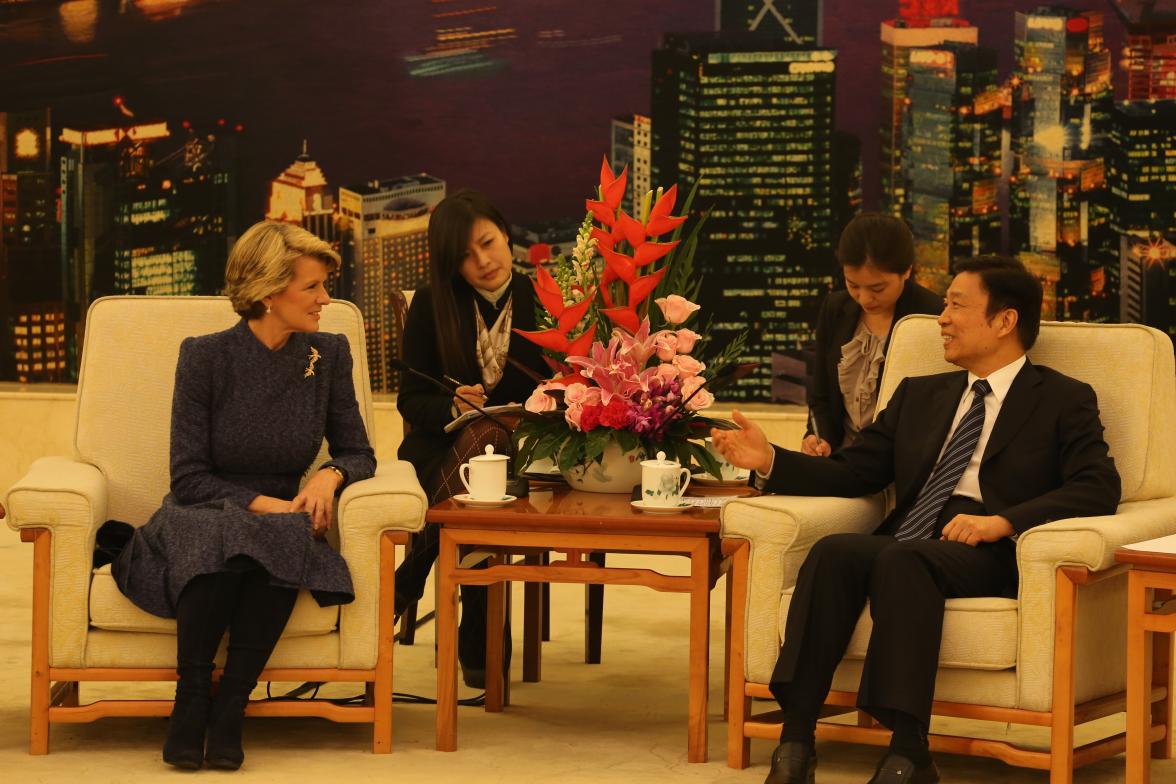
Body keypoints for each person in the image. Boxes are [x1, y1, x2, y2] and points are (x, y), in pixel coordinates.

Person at [711, 256, 1120, 784]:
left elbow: (1097, 485)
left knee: (904, 561)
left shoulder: (1063, 398)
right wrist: (770, 460)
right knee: (836, 550)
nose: (941, 319)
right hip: (913, 538)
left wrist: (1005, 522)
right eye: (943, 305)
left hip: (991, 550)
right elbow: (858, 470)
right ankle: (796, 740)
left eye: (955, 305)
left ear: (1004, 321)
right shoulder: (922, 394)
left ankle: (908, 750)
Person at [112, 221, 375, 771]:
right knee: (225, 531)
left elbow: (358, 453)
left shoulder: (328, 354)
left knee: (277, 537)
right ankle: (190, 702)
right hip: (203, 509)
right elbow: (188, 478)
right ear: (267, 292)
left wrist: (329, 476)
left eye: (325, 286)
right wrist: (272, 508)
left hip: (279, 519)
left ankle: (231, 704)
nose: (326, 299)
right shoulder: (205, 357)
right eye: (312, 287)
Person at [395, 189, 548, 687]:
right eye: (465, 255)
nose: (483, 261)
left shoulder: (547, 300)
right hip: (443, 454)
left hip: (527, 456)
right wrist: (450, 405)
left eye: (488, 242)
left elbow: (575, 386)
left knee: (492, 440)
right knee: (483, 435)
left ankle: (416, 567)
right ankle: (480, 621)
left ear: (506, 233)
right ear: (450, 264)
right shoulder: (430, 307)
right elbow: (410, 400)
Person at [804, 213, 942, 456]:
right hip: (843, 459)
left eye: (878, 288)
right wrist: (817, 436)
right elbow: (821, 398)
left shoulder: (931, 316)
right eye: (853, 285)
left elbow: (937, 411)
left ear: (907, 271)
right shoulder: (835, 308)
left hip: (905, 463)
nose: (865, 299)